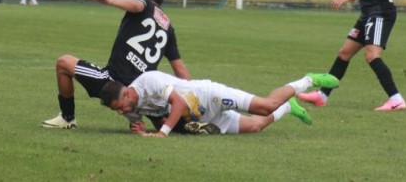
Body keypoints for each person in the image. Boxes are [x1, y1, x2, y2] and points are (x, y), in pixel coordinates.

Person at [41, 0, 190, 131]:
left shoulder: (144, 2)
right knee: (166, 121)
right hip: (144, 92)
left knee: (63, 63)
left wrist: (109, 1)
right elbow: (180, 70)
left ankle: (67, 118)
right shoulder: (168, 28)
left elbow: (137, 5)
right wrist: (192, 96)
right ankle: (176, 122)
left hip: (114, 83)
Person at [99, 70, 340, 137]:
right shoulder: (129, 107)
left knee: (265, 106)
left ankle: (308, 80)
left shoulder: (149, 81)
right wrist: (139, 129)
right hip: (203, 117)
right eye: (116, 111)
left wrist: (161, 133)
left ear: (128, 94)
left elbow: (179, 104)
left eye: (119, 107)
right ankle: (288, 106)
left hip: (208, 95)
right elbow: (144, 122)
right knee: (256, 126)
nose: (121, 113)